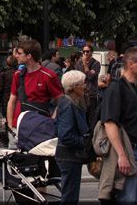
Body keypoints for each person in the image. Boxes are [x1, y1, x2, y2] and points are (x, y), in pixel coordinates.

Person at [100, 47, 137, 203]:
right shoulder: (117, 88)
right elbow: (110, 123)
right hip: (129, 152)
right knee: (127, 200)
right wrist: (121, 155)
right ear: (131, 64)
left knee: (136, 200)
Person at [7, 38, 62, 129]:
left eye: (19, 53)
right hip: (17, 126)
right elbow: (12, 101)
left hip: (39, 127)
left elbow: (60, 100)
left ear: (29, 56)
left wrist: (52, 119)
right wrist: (9, 124)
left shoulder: (48, 76)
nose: (16, 56)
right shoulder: (18, 75)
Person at [55, 70, 89, 204]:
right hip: (69, 156)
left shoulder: (72, 102)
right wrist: (86, 142)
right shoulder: (68, 105)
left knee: (70, 195)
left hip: (70, 156)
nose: (85, 86)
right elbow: (66, 135)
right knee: (70, 197)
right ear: (74, 87)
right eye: (82, 84)